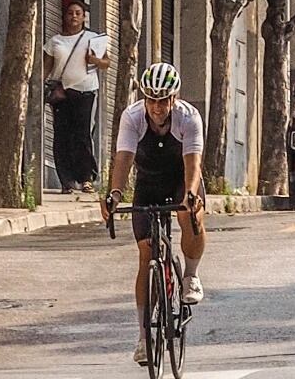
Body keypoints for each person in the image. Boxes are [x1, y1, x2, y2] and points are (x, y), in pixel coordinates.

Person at [104, 62, 206, 367]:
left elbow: (193, 163)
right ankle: (143, 337)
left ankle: (190, 275)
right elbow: (124, 158)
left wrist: (190, 195)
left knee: (190, 217)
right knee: (146, 253)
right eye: (151, 99)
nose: (157, 107)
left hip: (181, 179)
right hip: (149, 181)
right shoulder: (132, 117)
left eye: (163, 100)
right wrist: (114, 194)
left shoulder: (189, 117)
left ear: (174, 98)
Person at [42, 0, 112, 194]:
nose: (74, 16)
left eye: (78, 13)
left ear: (84, 18)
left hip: (85, 92)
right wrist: (37, 87)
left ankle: (86, 178)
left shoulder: (92, 38)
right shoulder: (55, 41)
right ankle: (66, 181)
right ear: (65, 16)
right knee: (62, 136)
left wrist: (94, 59)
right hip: (62, 94)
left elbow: (106, 63)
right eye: (70, 13)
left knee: (82, 135)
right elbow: (46, 68)